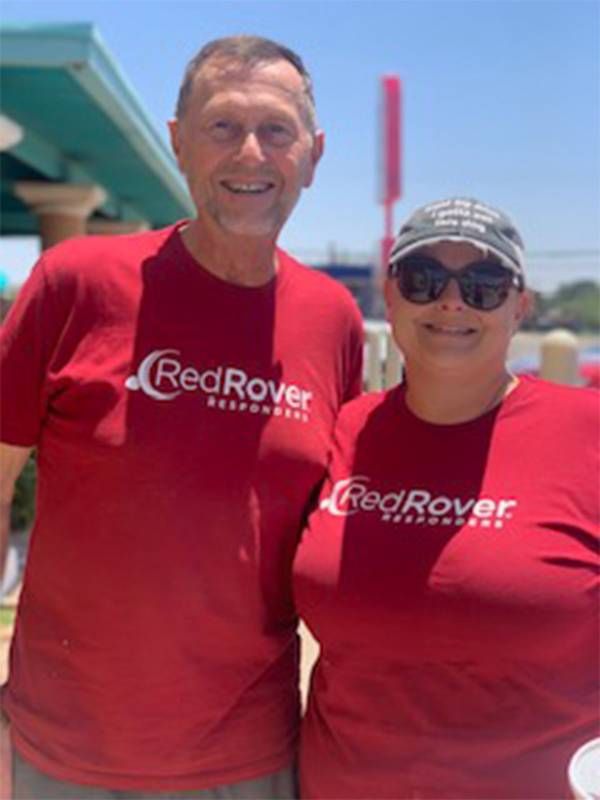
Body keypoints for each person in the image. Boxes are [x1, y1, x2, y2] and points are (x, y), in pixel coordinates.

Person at [0, 35, 364, 799]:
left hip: (250, 755)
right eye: (222, 127)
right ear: (178, 141)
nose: (251, 154)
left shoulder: (333, 320)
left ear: (314, 151)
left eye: (276, 129)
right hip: (64, 750)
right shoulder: (77, 283)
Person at [294, 197, 599, 799]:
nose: (452, 301)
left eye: (484, 284)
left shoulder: (588, 433)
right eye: (424, 278)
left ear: (521, 308)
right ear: (392, 295)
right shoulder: (343, 429)